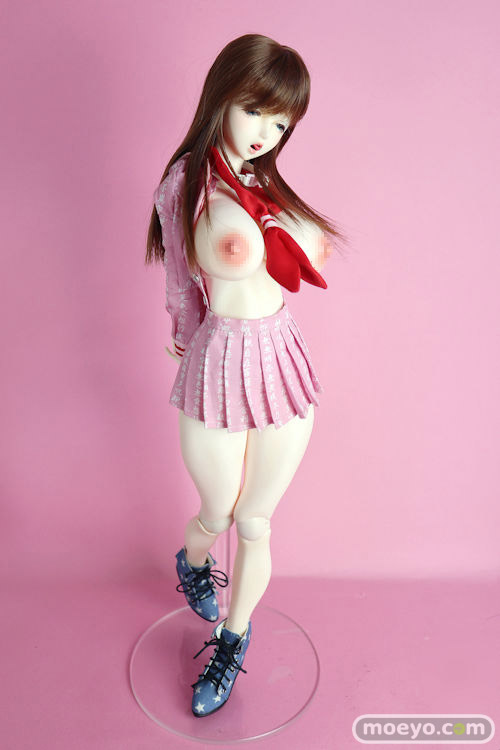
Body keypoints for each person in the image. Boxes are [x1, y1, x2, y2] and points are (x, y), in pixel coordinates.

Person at [145, 33, 347, 717]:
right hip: (219, 357)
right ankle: (193, 559)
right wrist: (184, 338)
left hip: (280, 357)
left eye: (282, 122)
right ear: (222, 97)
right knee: (219, 511)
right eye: (256, 110)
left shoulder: (266, 183)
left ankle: (233, 640)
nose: (266, 132)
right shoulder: (186, 183)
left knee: (255, 521)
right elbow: (181, 281)